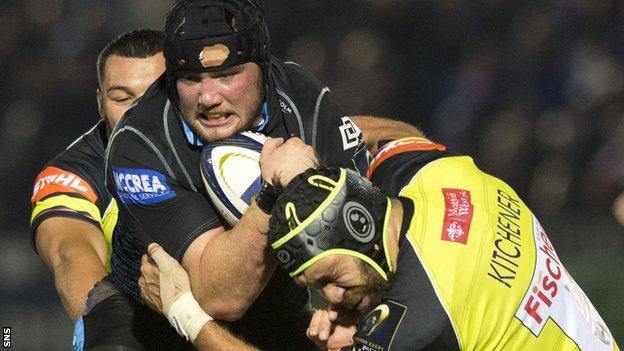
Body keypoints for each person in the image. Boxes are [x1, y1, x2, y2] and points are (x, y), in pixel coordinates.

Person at [100, 0, 421, 350]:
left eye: (226, 75)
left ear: (262, 68)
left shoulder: (300, 98)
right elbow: (221, 297)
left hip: (282, 319)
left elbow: (367, 241)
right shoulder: (140, 146)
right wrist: (272, 193)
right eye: (190, 78)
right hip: (152, 327)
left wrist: (347, 313)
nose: (207, 97)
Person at [139, 136, 621, 351]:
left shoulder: (417, 324)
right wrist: (305, 156)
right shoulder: (445, 178)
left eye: (329, 277)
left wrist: (188, 314)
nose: (328, 297)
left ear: (360, 228)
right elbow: (392, 136)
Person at [29, 29, 164, 325]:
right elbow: (70, 254)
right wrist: (106, 324)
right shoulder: (71, 174)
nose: (139, 115)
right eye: (122, 98)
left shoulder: (225, 148)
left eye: (156, 96)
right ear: (101, 104)